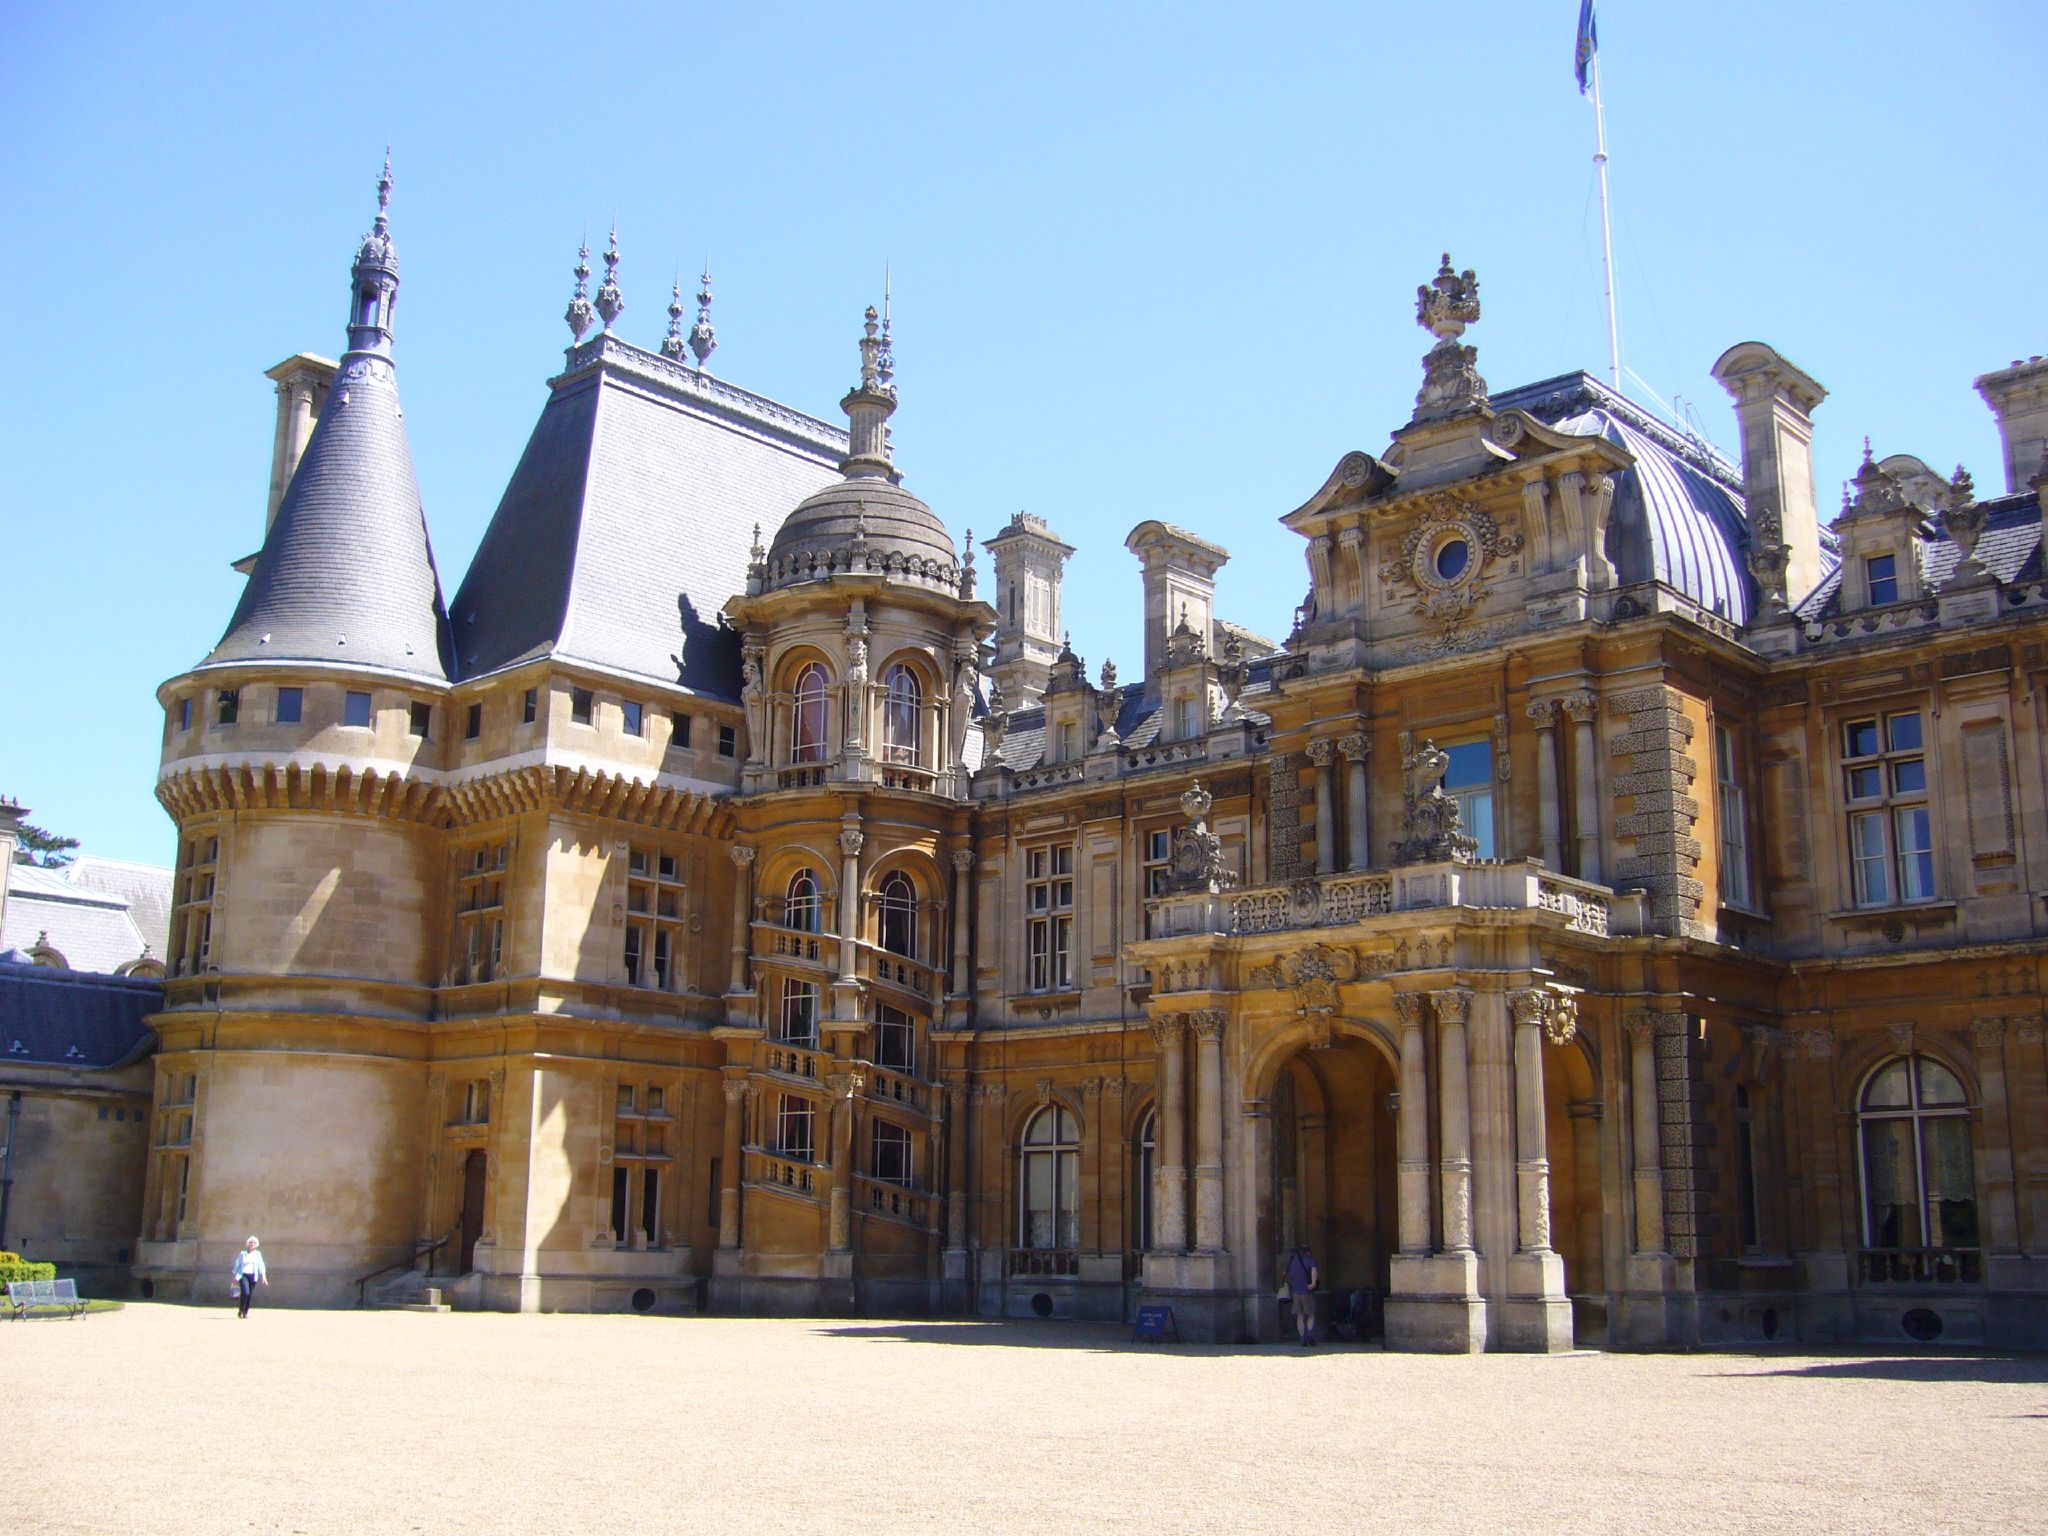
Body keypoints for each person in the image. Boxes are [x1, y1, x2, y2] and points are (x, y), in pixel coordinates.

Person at [1284, 1243, 1319, 1346]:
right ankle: (1308, 1334)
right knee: (1311, 1314)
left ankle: (1302, 1337)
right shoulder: (1310, 1260)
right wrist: (1313, 1283)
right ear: (1308, 1252)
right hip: (1307, 1291)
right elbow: (1314, 1271)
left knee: (1300, 1316)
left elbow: (1285, 1273)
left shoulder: (1292, 1261)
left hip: (1295, 1291)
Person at [231, 1236, 268, 1318]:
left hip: (253, 1276)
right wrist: (234, 1277)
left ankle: (245, 1312)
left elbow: (261, 1265)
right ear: (248, 1244)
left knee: (249, 1294)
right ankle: (241, 1310)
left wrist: (263, 1277)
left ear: (256, 1245)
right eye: (251, 1242)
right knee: (246, 1292)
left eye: (254, 1243)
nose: (252, 1244)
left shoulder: (258, 1254)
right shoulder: (242, 1253)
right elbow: (237, 1265)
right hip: (243, 1275)